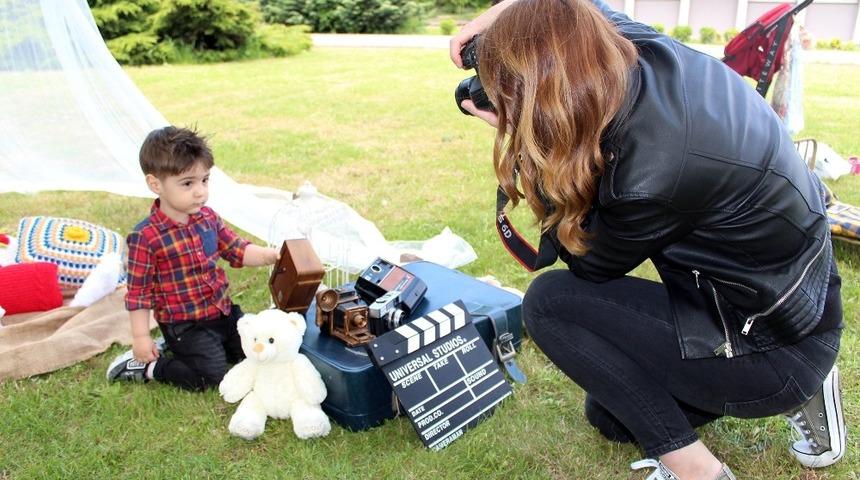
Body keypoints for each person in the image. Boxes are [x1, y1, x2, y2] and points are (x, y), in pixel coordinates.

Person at [451, 1, 845, 478]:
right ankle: (802, 382)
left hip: (773, 345)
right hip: (793, 294)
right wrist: (481, 28)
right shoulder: (634, 47)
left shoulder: (648, 176)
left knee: (549, 303)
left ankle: (700, 469)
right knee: (611, 417)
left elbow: (587, 263)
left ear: (545, 94)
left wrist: (535, 146)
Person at [106, 126, 280, 391]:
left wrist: (271, 255)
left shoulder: (207, 218)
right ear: (156, 184)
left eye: (205, 180)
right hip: (184, 324)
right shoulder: (146, 237)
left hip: (222, 311)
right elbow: (138, 294)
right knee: (210, 376)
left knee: (254, 353)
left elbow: (237, 249)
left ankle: (189, 347)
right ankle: (149, 366)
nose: (200, 191)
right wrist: (141, 337)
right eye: (188, 183)